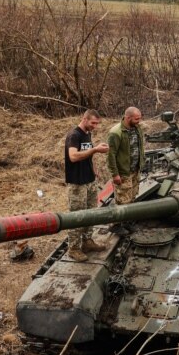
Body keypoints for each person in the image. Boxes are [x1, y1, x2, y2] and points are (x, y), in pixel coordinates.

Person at [64, 110, 109, 261]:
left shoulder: (87, 134)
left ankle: (87, 241)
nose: (95, 126)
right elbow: (73, 156)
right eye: (93, 123)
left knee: (91, 213)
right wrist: (95, 149)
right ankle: (74, 248)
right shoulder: (74, 135)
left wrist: (94, 169)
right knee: (77, 216)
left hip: (89, 181)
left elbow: (89, 155)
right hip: (77, 183)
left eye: (97, 123)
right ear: (84, 119)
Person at [105, 107, 145, 205]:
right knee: (123, 202)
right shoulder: (115, 132)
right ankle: (121, 221)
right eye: (136, 119)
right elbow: (110, 155)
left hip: (135, 171)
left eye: (139, 118)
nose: (139, 121)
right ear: (127, 118)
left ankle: (131, 220)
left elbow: (139, 147)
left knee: (133, 198)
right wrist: (115, 174)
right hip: (123, 174)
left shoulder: (137, 128)